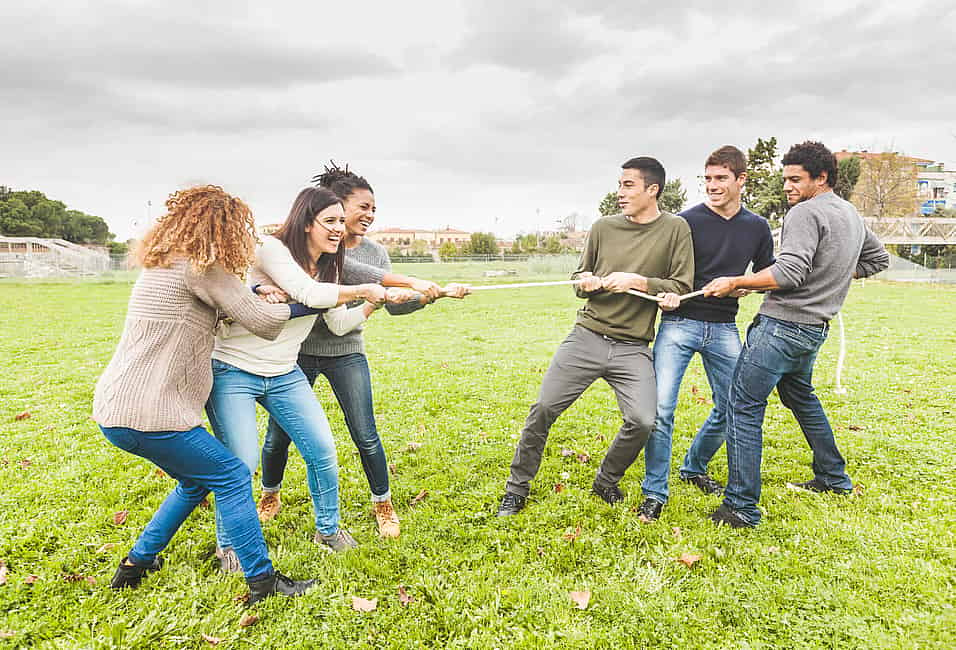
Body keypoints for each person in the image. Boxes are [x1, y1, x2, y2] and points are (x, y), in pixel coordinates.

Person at [92, 185, 316, 605]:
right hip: (154, 415)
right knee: (231, 475)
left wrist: (252, 292)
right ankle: (263, 582)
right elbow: (265, 323)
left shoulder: (164, 265)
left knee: (196, 481)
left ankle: (136, 564)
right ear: (223, 229)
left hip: (115, 411)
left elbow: (224, 301)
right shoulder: (204, 269)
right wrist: (313, 300)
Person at [206, 186, 416, 570]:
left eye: (341, 221)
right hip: (234, 369)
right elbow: (309, 292)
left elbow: (337, 324)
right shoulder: (272, 251)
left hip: (284, 372)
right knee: (241, 461)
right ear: (306, 223)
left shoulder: (330, 267)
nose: (340, 229)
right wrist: (362, 288)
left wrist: (372, 302)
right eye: (331, 221)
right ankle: (229, 546)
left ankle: (328, 530)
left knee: (322, 450)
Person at [258, 163, 468, 539]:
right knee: (279, 435)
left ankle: (382, 502)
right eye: (363, 207)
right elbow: (362, 278)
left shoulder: (375, 253)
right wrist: (402, 283)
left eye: (374, 208)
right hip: (299, 352)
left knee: (365, 433)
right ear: (331, 208)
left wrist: (425, 297)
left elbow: (391, 302)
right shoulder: (315, 248)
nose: (369, 215)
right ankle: (270, 494)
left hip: (346, 349)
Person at [702, 141, 889, 527]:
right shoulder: (850, 213)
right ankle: (833, 478)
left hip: (781, 328)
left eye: (795, 179)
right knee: (800, 396)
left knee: (743, 407)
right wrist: (829, 275)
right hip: (812, 333)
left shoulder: (805, 212)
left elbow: (788, 273)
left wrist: (740, 281)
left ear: (821, 178)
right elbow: (877, 259)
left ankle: (740, 506)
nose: (787, 187)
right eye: (784, 178)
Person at [497, 156, 694, 516]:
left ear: (653, 190)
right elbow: (579, 279)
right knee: (542, 409)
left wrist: (639, 282)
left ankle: (606, 479)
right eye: (619, 184)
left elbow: (681, 286)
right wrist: (586, 282)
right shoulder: (603, 227)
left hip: (633, 347)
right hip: (587, 336)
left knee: (643, 421)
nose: (620, 192)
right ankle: (516, 488)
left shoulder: (676, 229)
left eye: (628, 185)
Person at [637, 146, 774, 523]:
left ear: (741, 180)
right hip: (679, 323)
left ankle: (694, 466)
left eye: (721, 178)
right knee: (661, 409)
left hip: (724, 327)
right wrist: (664, 295)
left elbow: (767, 275)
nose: (712, 186)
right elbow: (664, 273)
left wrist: (744, 285)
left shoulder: (757, 227)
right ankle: (654, 493)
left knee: (734, 407)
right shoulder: (685, 222)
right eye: (708, 178)